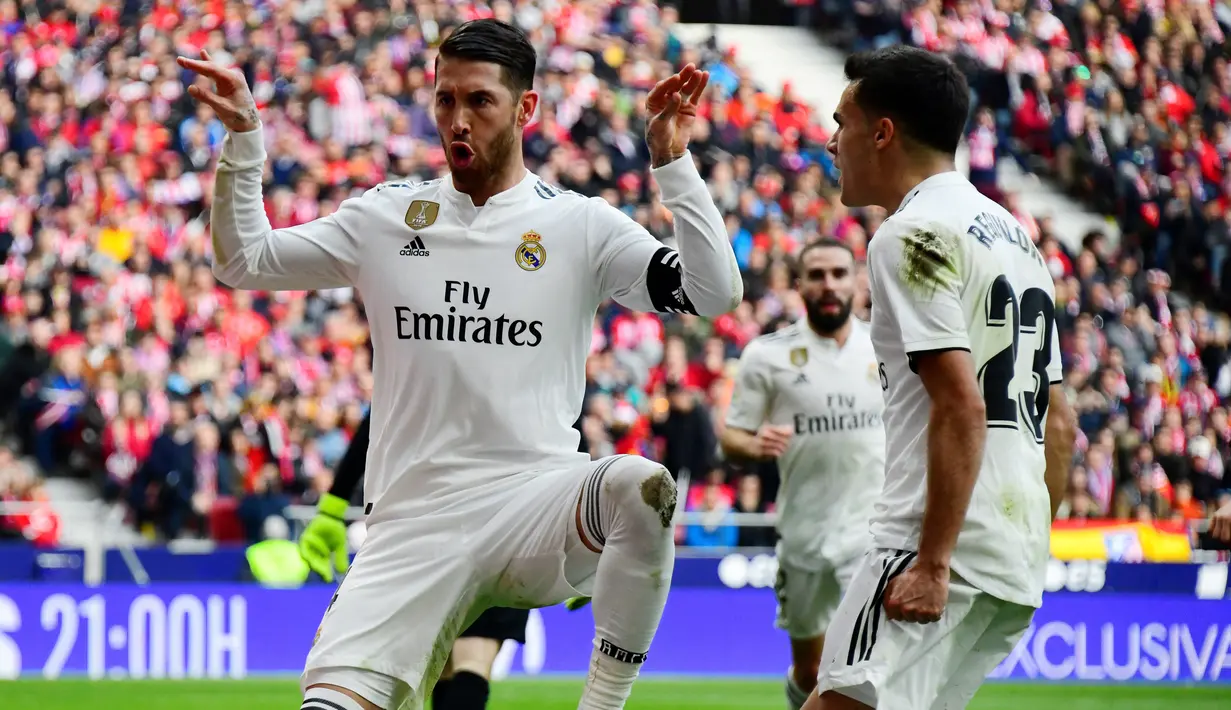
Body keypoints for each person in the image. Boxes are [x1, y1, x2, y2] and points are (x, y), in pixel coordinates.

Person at [179, 18, 742, 710]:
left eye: (479, 101)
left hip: (532, 505)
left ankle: (602, 703)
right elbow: (244, 262)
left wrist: (671, 163)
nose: (457, 120)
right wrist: (243, 142)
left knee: (641, 488)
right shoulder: (385, 217)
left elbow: (716, 292)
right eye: (445, 100)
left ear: (525, 108)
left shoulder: (578, 226)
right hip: (409, 525)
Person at [801, 45, 1077, 710]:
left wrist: (931, 561)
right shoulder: (1018, 237)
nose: (831, 141)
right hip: (1010, 554)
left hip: (933, 542)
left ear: (882, 132)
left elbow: (960, 403)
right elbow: (1059, 423)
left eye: (840, 121)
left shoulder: (911, 233)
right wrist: (1025, 544)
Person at [720, 238, 885, 710]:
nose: (828, 284)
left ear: (857, 281)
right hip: (804, 532)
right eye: (816, 275)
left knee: (865, 669)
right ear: (799, 286)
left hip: (874, 535)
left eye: (838, 273)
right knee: (812, 671)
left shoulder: (888, 346)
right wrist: (753, 444)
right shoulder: (767, 356)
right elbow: (732, 437)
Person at [298, 411, 529, 710]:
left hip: (425, 519)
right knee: (474, 659)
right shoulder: (527, 376)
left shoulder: (427, 369)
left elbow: (377, 417)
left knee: (439, 663)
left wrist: (333, 503)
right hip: (504, 515)